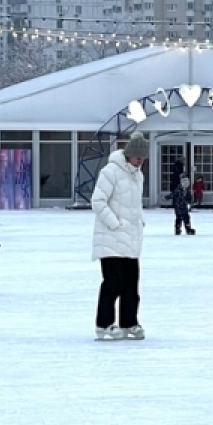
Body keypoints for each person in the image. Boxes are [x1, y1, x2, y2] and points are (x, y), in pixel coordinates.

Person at [92, 132, 148, 341]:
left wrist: (140, 220)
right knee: (112, 282)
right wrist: (115, 223)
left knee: (131, 284)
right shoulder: (111, 172)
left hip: (131, 239)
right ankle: (104, 324)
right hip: (110, 238)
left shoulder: (138, 176)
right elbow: (98, 201)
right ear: (129, 155)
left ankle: (129, 322)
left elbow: (134, 204)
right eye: (138, 157)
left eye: (143, 158)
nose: (140, 162)